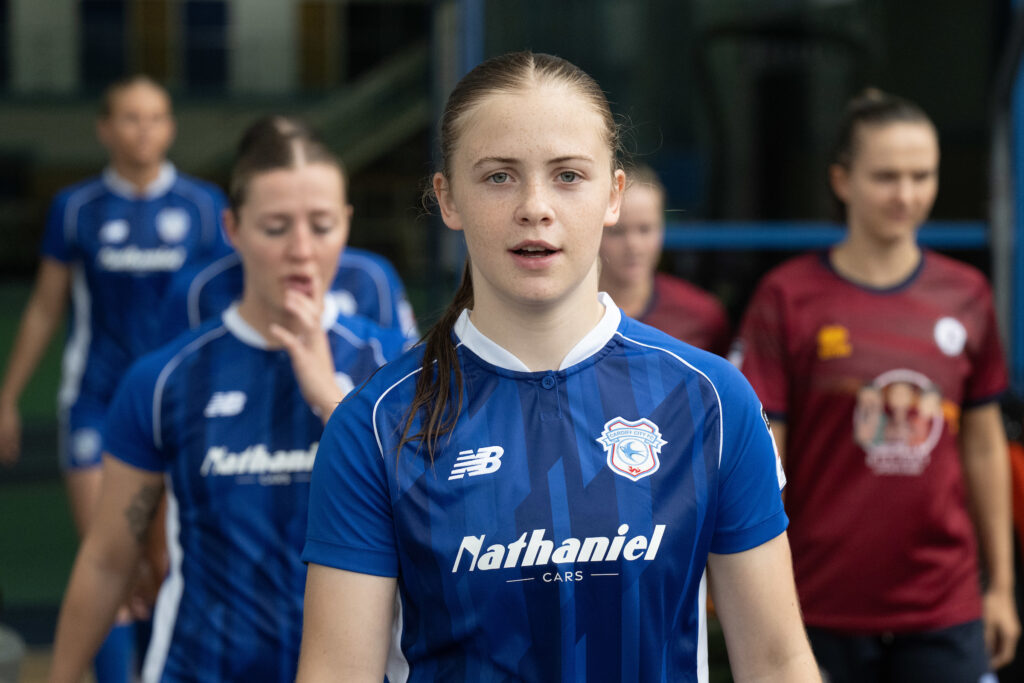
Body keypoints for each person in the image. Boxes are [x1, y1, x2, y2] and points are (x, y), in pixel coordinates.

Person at [297, 51, 819, 682]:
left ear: (614, 194)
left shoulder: (712, 402)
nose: (535, 207)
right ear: (447, 197)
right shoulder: (376, 426)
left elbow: (777, 661)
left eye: (568, 175)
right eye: (498, 177)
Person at [47, 116, 406, 682]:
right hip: (200, 667)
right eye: (275, 227)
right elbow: (107, 558)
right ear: (232, 229)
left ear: (347, 225)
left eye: (321, 225)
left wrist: (326, 394)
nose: (301, 250)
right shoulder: (165, 379)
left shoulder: (397, 367)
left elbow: (429, 517)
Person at [734, 89, 1020, 681]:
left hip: (944, 605)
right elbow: (763, 456)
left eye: (922, 175)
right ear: (842, 180)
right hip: (816, 604)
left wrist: (1003, 587)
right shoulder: (787, 297)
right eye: (887, 176)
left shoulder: (966, 295)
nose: (907, 195)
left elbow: (985, 445)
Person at [0, 75, 229, 681]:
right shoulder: (76, 209)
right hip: (96, 403)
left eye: (155, 117)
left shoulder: (205, 207)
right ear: (104, 128)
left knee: (161, 562)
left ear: (171, 127)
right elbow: (48, 306)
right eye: (130, 117)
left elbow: (219, 309)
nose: (143, 129)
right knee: (109, 556)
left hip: (176, 406)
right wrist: (7, 396)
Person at [598, 164, 731, 355]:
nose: (633, 245)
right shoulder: (565, 313)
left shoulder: (703, 316)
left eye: (645, 229)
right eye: (616, 231)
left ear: (662, 228)